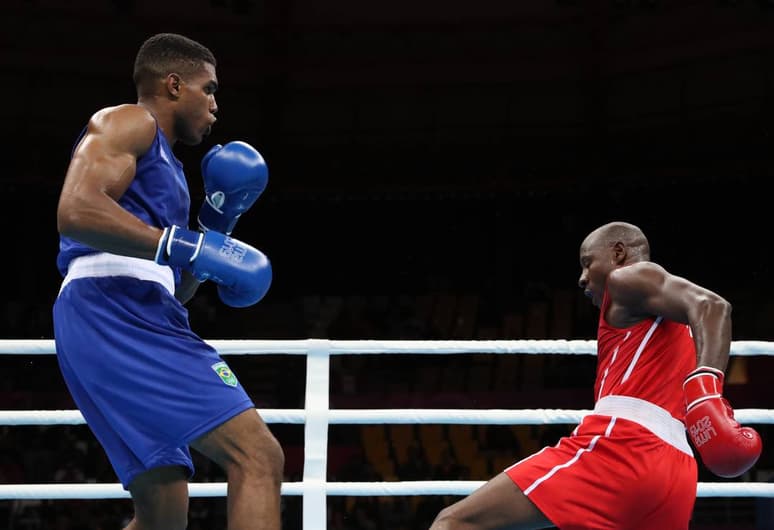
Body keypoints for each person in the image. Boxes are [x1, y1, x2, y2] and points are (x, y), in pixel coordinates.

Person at [53, 33, 284, 530]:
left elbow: (172, 285)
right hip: (113, 309)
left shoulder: (170, 175)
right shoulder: (127, 121)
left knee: (163, 511)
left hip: (127, 310)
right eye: (210, 90)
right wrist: (184, 246)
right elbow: (74, 210)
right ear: (174, 84)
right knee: (258, 456)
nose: (216, 107)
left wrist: (214, 231)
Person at [430, 221, 762, 530]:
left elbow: (713, 306)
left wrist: (707, 389)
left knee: (455, 522)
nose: (582, 278)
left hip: (622, 448)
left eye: (588, 262)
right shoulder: (672, 323)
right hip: (677, 473)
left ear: (618, 253)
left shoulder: (627, 277)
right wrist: (708, 392)